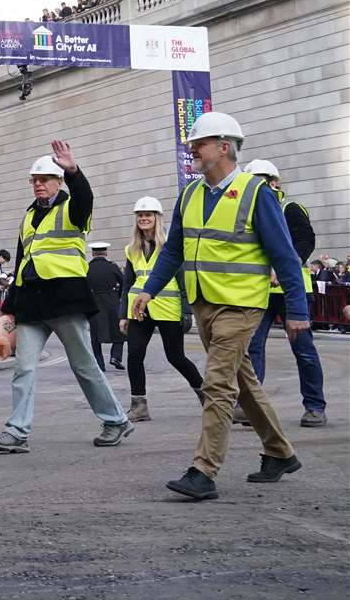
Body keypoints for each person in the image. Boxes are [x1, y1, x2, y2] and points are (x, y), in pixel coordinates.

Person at [135, 113, 308, 500]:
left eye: (201, 143)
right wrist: (149, 289)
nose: (193, 148)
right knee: (243, 380)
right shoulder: (190, 194)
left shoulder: (256, 192)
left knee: (218, 385)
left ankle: (204, 470)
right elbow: (173, 250)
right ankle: (280, 452)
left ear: (225, 146)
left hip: (241, 306)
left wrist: (297, 309)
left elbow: (284, 255)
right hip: (204, 305)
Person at [0, 145, 132, 455]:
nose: (39, 183)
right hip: (31, 302)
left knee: (84, 365)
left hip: (65, 299)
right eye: (35, 179)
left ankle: (116, 420)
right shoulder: (28, 215)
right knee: (23, 368)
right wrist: (8, 309)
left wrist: (74, 173)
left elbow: (85, 198)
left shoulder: (73, 207)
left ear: (59, 181)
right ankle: (16, 431)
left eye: (47, 178)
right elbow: (23, 260)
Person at [237, 160, 326, 428]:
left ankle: (314, 406)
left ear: (274, 182)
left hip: (292, 291)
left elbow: (305, 241)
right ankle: (252, 407)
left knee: (304, 350)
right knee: (252, 348)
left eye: (261, 181)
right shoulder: (247, 212)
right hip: (260, 291)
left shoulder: (290, 208)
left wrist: (283, 267)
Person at [120, 196, 202, 423]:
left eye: (148, 215)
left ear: (157, 218)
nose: (144, 219)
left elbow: (183, 279)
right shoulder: (131, 249)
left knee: (176, 357)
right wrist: (123, 315)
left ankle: (206, 396)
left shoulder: (170, 246)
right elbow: (128, 284)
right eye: (140, 216)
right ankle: (139, 407)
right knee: (134, 356)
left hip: (168, 308)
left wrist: (187, 312)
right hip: (138, 309)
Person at [85, 242, 125, 372]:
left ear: (93, 253)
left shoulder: (86, 268)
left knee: (95, 335)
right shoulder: (112, 267)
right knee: (119, 331)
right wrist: (118, 297)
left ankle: (100, 364)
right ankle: (116, 356)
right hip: (112, 301)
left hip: (94, 303)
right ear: (106, 253)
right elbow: (123, 283)